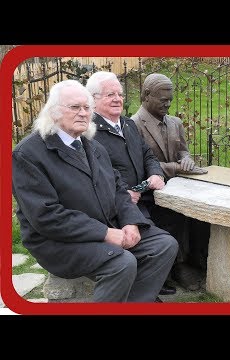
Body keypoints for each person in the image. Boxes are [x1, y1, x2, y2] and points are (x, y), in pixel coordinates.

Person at [12, 80, 178, 302]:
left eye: (87, 108)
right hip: (59, 241)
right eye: (75, 107)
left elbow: (118, 190)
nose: (83, 113)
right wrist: (106, 233)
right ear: (53, 112)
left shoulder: (93, 146)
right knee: (122, 263)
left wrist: (131, 222)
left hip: (106, 225)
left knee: (164, 245)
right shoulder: (28, 154)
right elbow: (45, 216)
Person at [85, 71, 177, 296]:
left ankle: (158, 282)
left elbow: (147, 154)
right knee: (155, 243)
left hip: (143, 196)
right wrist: (122, 192)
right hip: (119, 206)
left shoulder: (127, 124)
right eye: (110, 95)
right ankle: (146, 294)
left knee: (178, 224)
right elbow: (98, 171)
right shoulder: (89, 131)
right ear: (93, 99)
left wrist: (156, 173)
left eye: (119, 94)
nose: (117, 99)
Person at [131, 73, 210, 291]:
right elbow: (139, 166)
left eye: (170, 100)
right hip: (151, 193)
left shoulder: (175, 123)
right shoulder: (133, 125)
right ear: (147, 95)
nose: (168, 104)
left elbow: (183, 150)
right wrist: (173, 167)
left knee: (198, 218)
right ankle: (168, 269)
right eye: (163, 99)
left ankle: (189, 262)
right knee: (167, 222)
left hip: (180, 188)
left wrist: (186, 160)